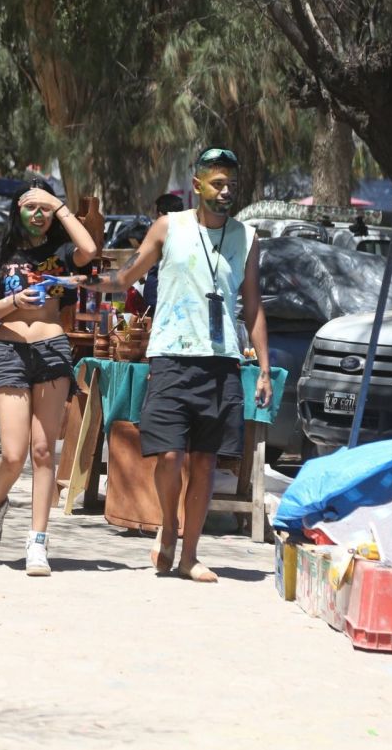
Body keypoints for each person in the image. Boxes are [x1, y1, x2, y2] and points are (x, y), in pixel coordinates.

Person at [90, 147, 272, 583]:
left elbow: (252, 306)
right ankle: (168, 526)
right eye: (217, 183)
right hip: (172, 356)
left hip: (222, 362)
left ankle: (190, 554)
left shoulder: (246, 237)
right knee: (169, 455)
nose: (225, 192)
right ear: (196, 185)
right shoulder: (169, 227)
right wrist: (80, 281)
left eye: (231, 184)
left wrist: (264, 369)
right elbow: (126, 277)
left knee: (206, 461)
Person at [0, 181, 97, 577]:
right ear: (17, 211)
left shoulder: (62, 252)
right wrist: (13, 301)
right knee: (13, 454)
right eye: (32, 207)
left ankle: (38, 541)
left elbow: (90, 250)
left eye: (45, 209)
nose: (39, 214)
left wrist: (58, 204)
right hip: (9, 350)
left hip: (52, 349)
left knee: (43, 451)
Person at [141, 193, 185, 312]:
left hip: (157, 298)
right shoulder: (189, 234)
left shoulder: (159, 233)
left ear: (160, 214)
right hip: (180, 299)